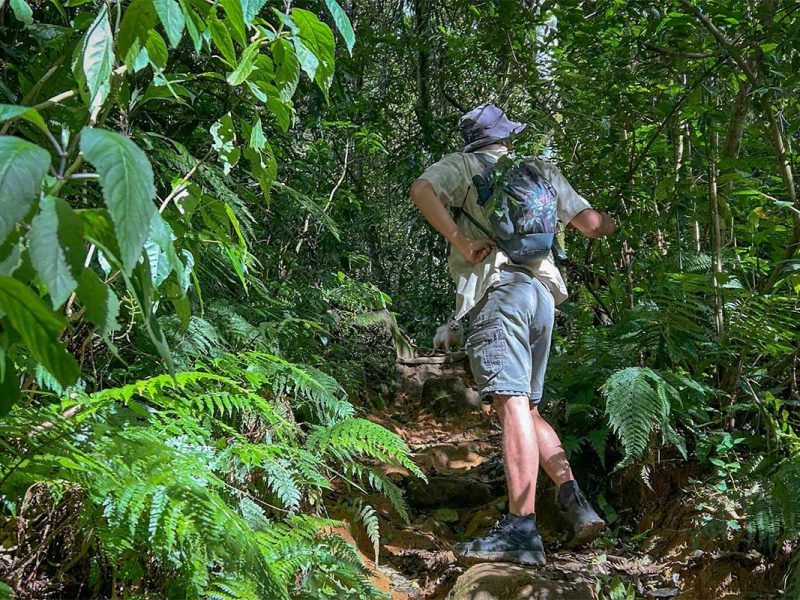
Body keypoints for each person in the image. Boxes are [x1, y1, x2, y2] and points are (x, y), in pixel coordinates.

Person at [409, 103, 616, 566]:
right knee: (530, 407)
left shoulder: (462, 165)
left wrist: (462, 242)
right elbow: (591, 225)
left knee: (512, 404)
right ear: (507, 137)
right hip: (542, 295)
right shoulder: (540, 168)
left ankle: (521, 531)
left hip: (498, 291)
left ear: (471, 140)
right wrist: (613, 222)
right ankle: (575, 503)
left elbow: (421, 190)